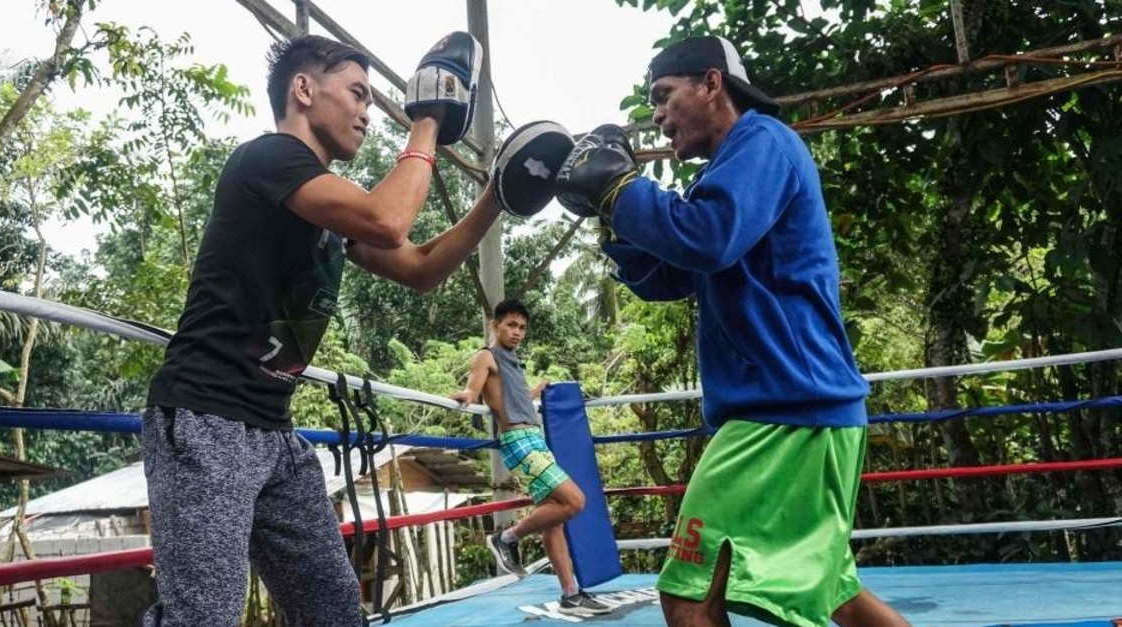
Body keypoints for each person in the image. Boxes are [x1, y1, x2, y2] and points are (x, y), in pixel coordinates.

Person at [554, 36, 913, 627]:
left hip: (785, 411)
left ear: (712, 83)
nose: (659, 117)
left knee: (689, 595)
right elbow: (669, 273)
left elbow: (708, 237)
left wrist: (621, 189)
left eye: (665, 97)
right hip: (800, 409)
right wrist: (610, 212)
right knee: (838, 597)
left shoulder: (764, 142)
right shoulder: (723, 174)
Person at [141, 32, 497, 626]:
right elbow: (388, 220)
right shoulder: (269, 158)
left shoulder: (328, 205)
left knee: (333, 613)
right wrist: (429, 117)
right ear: (303, 89)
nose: (365, 111)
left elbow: (420, 268)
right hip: (207, 418)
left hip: (274, 433)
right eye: (357, 93)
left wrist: (497, 197)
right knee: (201, 618)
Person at [450, 299, 613, 618]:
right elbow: (475, 386)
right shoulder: (487, 354)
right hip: (519, 442)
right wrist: (468, 396)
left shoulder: (512, 359)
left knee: (555, 520)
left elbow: (516, 398)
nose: (517, 332)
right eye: (511, 325)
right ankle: (506, 537)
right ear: (494, 325)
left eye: (522, 327)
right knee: (574, 501)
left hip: (535, 439)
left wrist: (537, 390)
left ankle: (570, 593)